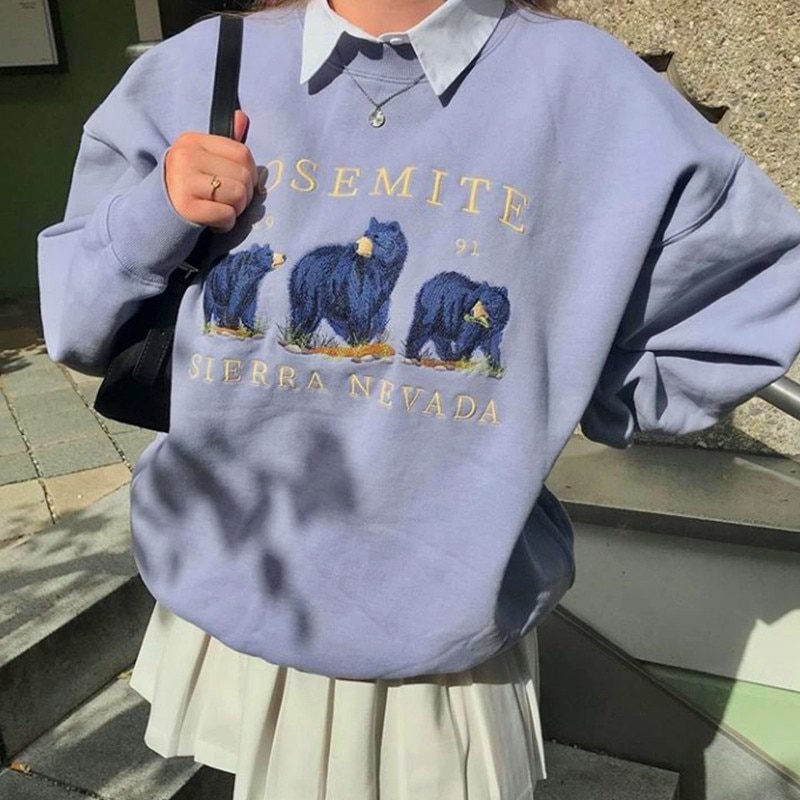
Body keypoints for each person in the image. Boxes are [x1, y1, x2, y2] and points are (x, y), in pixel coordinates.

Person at [36, 0, 800, 797]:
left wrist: (576, 386)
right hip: (227, 567)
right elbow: (78, 322)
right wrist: (157, 211)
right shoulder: (205, 63)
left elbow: (752, 294)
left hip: (435, 614)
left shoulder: (590, 87)